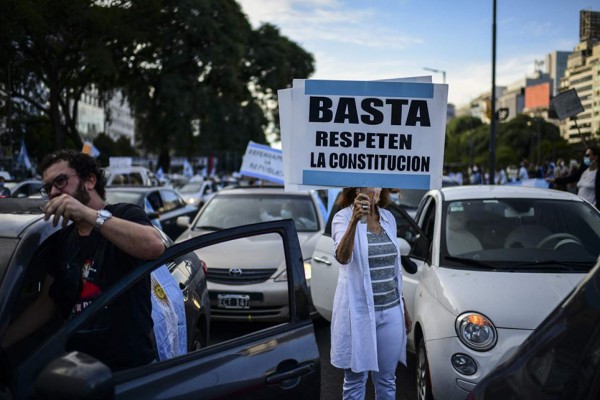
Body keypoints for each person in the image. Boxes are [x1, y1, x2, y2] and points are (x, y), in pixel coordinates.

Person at [2, 149, 166, 370]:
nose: (53, 192)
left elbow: (154, 246)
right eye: (47, 187)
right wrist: (5, 339)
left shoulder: (126, 214)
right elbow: (47, 303)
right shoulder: (62, 240)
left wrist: (87, 214)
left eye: (60, 181)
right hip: (77, 368)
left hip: (130, 368)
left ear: (90, 181)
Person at [330, 187, 412, 400]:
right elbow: (342, 257)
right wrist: (355, 221)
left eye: (377, 183)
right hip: (358, 313)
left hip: (391, 311)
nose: (373, 188)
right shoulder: (343, 217)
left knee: (387, 379)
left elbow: (393, 269)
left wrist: (403, 307)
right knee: (356, 381)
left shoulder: (388, 218)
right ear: (356, 189)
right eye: (367, 183)